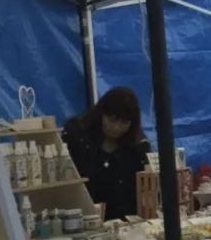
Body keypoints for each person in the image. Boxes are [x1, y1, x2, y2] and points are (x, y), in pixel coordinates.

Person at [62, 86, 150, 221]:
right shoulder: (77, 136)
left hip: (126, 225)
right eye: (112, 120)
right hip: (82, 220)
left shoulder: (137, 147)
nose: (116, 128)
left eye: (124, 123)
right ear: (101, 113)